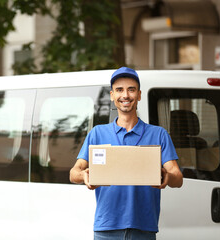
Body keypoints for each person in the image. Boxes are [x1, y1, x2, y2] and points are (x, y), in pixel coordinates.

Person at [69, 67, 183, 240]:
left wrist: (166, 176)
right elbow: (73, 172)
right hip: (106, 229)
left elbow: (178, 177)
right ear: (112, 95)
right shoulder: (97, 133)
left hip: (144, 228)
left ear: (139, 95)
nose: (125, 95)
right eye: (119, 90)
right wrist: (83, 176)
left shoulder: (158, 134)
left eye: (131, 89)